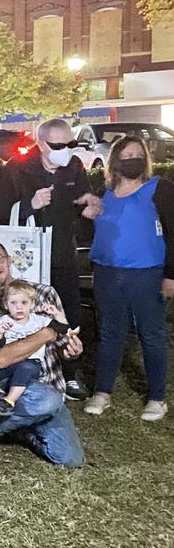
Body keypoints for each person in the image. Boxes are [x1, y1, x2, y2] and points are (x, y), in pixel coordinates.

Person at [0, 117, 102, 399]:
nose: (64, 149)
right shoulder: (18, 169)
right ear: (40, 143)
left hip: (62, 253)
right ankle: (26, 371)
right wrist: (30, 205)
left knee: (68, 312)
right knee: (26, 311)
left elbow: (80, 201)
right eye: (57, 144)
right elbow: (1, 213)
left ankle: (69, 373)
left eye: (69, 144)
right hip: (28, 256)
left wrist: (88, 207)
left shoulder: (74, 166)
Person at [0, 240, 85, 466]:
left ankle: (19, 428)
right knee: (46, 399)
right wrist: (49, 332)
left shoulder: (44, 293)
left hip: (51, 385)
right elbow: (0, 359)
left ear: (9, 260)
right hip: (17, 387)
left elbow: (61, 343)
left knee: (71, 459)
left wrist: (71, 351)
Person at [85, 135, 174, 422]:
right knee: (111, 333)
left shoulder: (160, 189)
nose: (133, 158)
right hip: (108, 273)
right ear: (115, 161)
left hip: (148, 274)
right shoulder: (105, 190)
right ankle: (102, 392)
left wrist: (170, 276)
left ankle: (157, 398)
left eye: (138, 154)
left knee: (152, 335)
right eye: (127, 154)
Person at [0, 280, 70, 416]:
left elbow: (63, 328)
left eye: (24, 303)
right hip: (11, 362)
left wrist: (56, 314)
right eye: (14, 303)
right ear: (7, 305)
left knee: (25, 369)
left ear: (32, 304)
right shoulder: (4, 321)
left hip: (32, 363)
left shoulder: (38, 320)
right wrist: (0, 333)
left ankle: (9, 401)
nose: (19, 307)